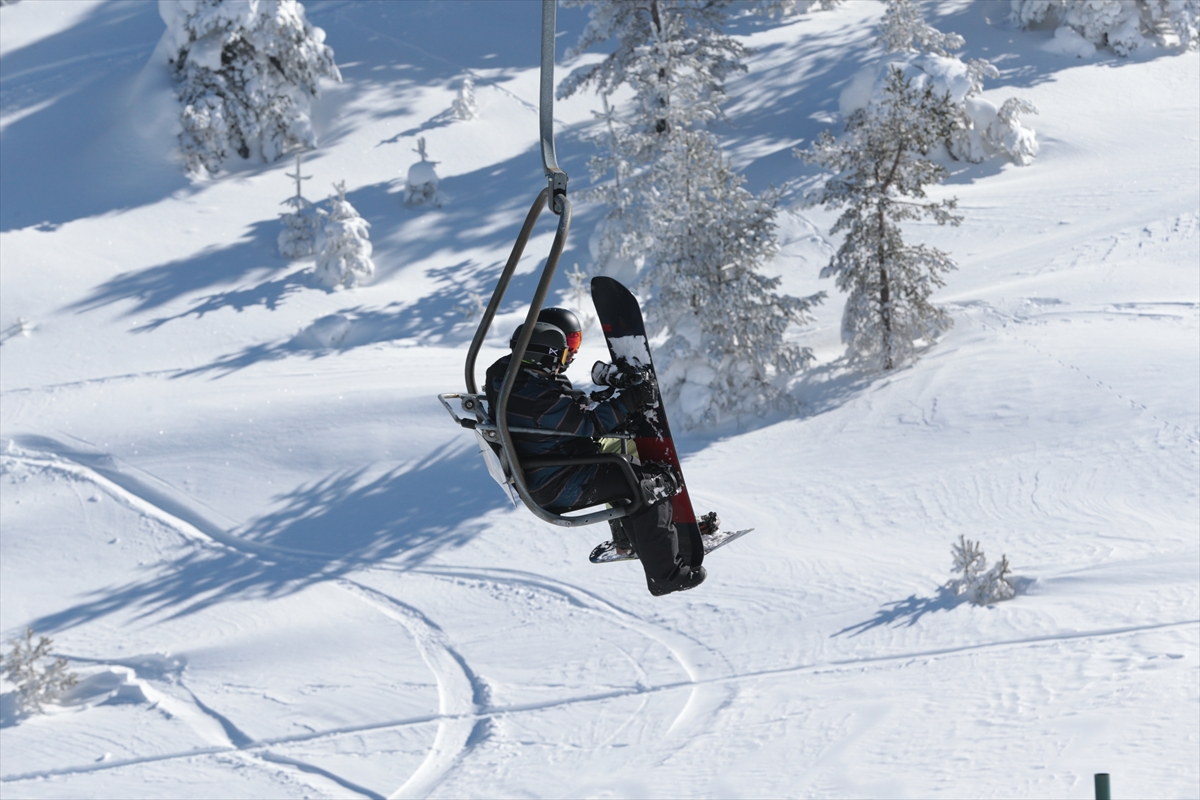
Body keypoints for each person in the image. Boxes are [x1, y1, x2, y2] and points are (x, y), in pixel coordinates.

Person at [485, 307, 707, 597]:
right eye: (570, 347)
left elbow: (564, 409)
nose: (572, 354)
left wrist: (600, 400)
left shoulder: (514, 376)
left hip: (550, 467)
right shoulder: (532, 393)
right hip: (559, 482)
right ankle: (666, 575)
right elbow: (588, 424)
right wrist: (630, 401)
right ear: (547, 347)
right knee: (652, 485)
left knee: (621, 453)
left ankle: (631, 539)